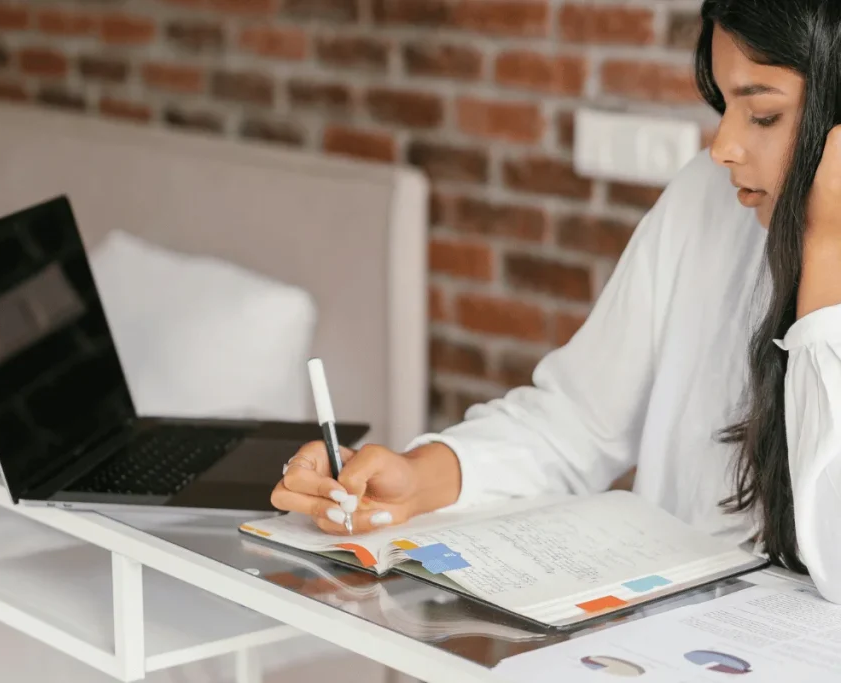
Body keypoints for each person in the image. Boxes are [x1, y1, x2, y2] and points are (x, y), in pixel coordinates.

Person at [271, 0, 841, 604]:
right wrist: (414, 482)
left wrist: (826, 253)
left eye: (765, 114)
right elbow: (576, 422)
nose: (723, 145)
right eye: (724, 106)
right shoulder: (706, 199)